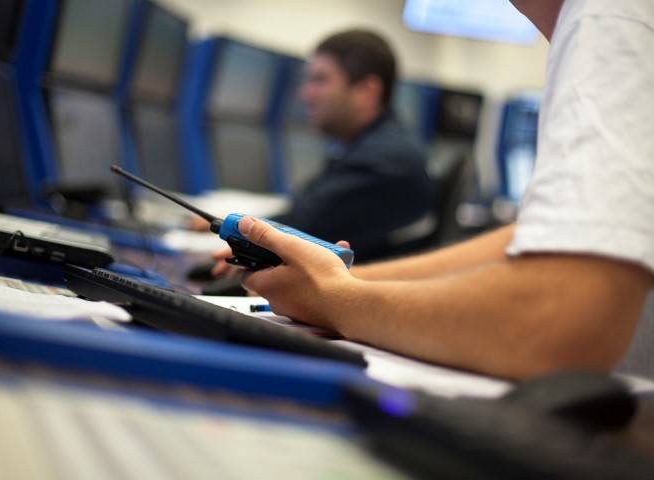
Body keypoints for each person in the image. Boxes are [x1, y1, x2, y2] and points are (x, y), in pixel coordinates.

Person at [219, 0, 654, 380]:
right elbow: (539, 241)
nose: (306, 94)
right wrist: (337, 282)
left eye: (320, 80)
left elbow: (559, 321)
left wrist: (337, 300)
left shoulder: (612, 16)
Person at [196, 30, 434, 262]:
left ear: (366, 91)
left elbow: (298, 230)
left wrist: (227, 225)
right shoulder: (374, 148)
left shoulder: (383, 161)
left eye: (320, 80)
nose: (305, 94)